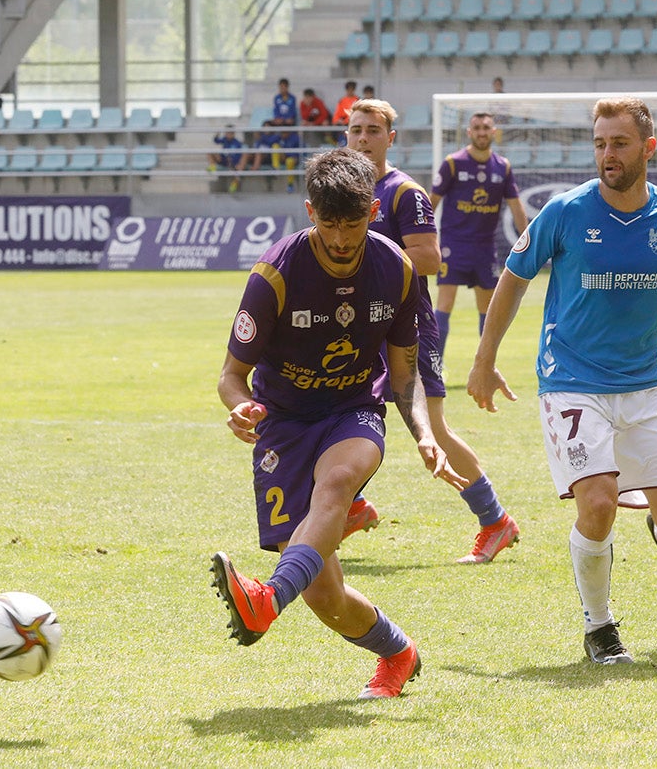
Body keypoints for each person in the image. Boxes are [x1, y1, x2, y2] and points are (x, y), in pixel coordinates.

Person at [467, 96, 657, 665]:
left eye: (620, 143)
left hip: (644, 388)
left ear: (648, 148)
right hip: (570, 381)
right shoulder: (564, 212)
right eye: (601, 143)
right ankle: (599, 628)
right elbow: (513, 278)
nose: (608, 154)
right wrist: (485, 359)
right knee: (599, 502)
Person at [211, 147, 465, 699]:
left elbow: (403, 376)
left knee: (337, 482)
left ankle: (266, 599)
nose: (343, 238)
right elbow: (232, 375)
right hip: (283, 424)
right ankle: (399, 652)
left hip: (354, 409)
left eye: (353, 223)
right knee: (326, 598)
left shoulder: (395, 268)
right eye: (330, 224)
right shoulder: (273, 276)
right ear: (310, 213)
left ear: (373, 211)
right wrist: (238, 406)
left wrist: (423, 431)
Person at [346, 98, 522, 564]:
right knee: (342, 416)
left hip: (405, 327)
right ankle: (352, 505)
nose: (362, 139)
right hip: (358, 329)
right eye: (355, 130)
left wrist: (365, 250)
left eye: (372, 130)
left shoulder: (404, 193)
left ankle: (495, 520)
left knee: (434, 430)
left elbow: (429, 259)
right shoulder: (342, 192)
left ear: (390, 137)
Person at [430, 111, 529, 363]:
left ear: (494, 132)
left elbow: (517, 207)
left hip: (485, 248)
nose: (482, 132)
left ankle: (485, 365)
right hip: (454, 245)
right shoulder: (453, 163)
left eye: (486, 127)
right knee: (445, 304)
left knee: (488, 309)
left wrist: (529, 242)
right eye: (477, 128)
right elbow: (431, 203)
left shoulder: (502, 167)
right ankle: (435, 366)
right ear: (469, 132)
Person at [208, 125, 245, 193]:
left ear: (233, 134)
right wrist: (217, 134)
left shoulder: (237, 143)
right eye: (227, 133)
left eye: (230, 133)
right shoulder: (224, 139)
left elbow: (238, 155)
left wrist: (233, 161)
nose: (228, 135)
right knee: (210, 153)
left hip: (232, 161)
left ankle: (234, 184)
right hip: (224, 159)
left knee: (237, 170)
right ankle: (212, 167)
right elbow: (216, 141)